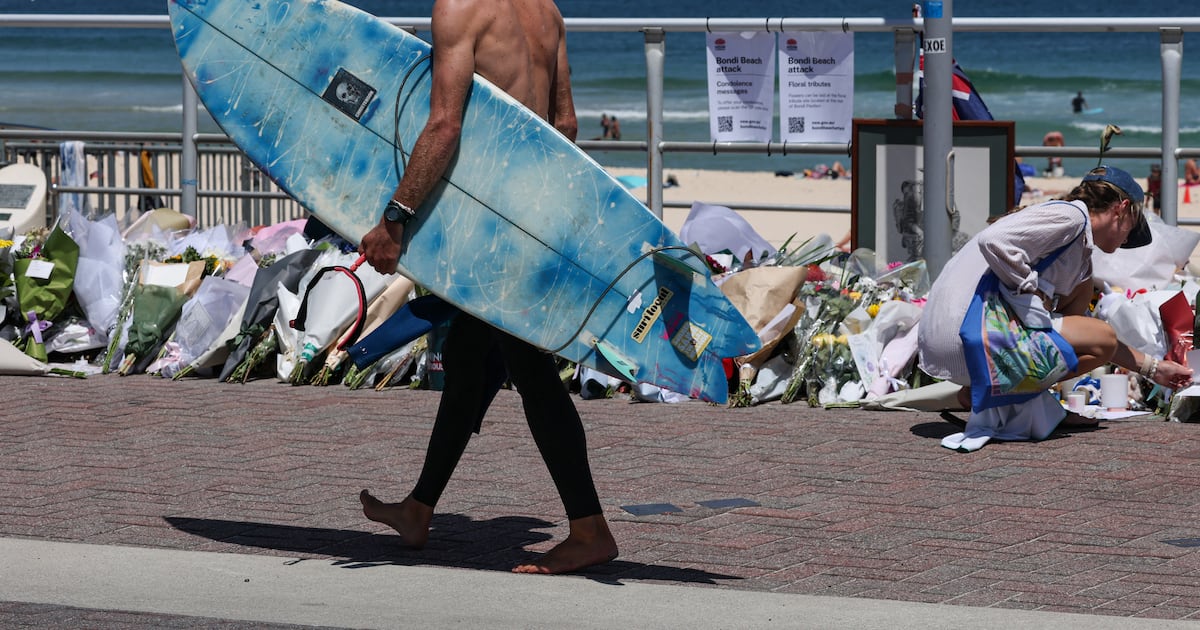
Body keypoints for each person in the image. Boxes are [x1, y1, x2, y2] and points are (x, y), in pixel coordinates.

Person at [357, 0, 618, 574]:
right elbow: (566, 125)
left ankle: (589, 529)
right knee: (468, 360)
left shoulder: (460, 9)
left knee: (530, 370)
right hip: (534, 214)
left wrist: (395, 217)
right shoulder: (546, 10)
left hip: (494, 229)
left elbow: (445, 124)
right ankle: (419, 510)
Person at [918, 166, 1192, 450]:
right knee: (1103, 338)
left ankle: (1002, 395)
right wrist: (1029, 289)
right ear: (1120, 209)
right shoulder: (1071, 216)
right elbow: (993, 240)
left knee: (1090, 323)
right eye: (1132, 227)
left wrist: (1154, 368)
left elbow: (1082, 333)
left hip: (951, 339)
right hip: (968, 336)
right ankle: (1011, 397)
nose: (1127, 239)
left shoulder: (1075, 246)